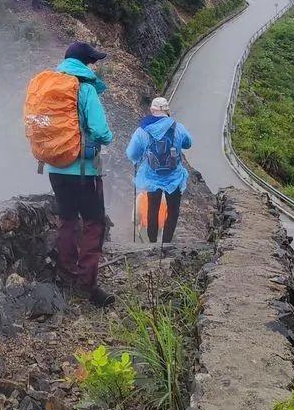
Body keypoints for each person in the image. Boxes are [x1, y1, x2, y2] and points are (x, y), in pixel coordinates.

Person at [45, 41, 115, 306]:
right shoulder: (85, 89)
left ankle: (66, 274)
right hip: (83, 171)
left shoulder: (51, 89)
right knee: (94, 223)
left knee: (67, 219)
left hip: (55, 167)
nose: (93, 66)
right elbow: (100, 130)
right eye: (92, 62)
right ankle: (87, 284)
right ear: (85, 64)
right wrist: (107, 138)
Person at [125, 96, 192, 248]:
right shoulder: (177, 127)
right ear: (167, 111)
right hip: (174, 177)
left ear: (152, 110)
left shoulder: (143, 130)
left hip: (151, 177)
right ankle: (167, 244)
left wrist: (138, 158)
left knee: (152, 209)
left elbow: (132, 153)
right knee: (173, 210)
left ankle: (152, 244)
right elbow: (188, 143)